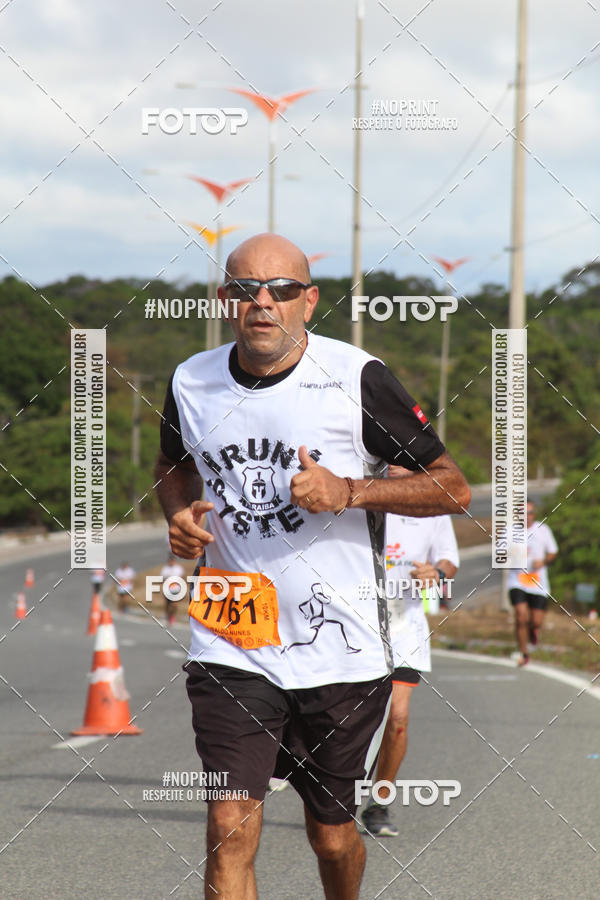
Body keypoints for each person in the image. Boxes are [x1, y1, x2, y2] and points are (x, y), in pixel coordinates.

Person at [154, 233, 471, 900]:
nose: (262, 302)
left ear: (309, 300)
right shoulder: (191, 380)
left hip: (342, 650)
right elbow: (174, 464)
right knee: (228, 825)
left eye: (281, 290)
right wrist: (178, 514)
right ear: (225, 300)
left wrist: (350, 491)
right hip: (233, 638)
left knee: (330, 836)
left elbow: (452, 487)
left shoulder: (356, 378)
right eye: (246, 289)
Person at [361, 465, 459, 837]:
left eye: (403, 458)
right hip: (354, 624)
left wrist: (437, 573)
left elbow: (448, 559)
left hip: (404, 627)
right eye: (389, 457)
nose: (396, 464)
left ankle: (379, 803)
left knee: (397, 717)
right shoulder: (361, 495)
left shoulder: (432, 505)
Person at [508, 500, 558, 666]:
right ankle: (524, 653)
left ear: (534, 514)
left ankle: (533, 630)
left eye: (530, 513)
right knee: (521, 616)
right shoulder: (510, 531)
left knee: (536, 621)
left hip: (538, 582)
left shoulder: (543, 530)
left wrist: (543, 562)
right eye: (523, 513)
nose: (527, 516)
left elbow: (553, 552)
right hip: (517, 580)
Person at [160, 555, 185, 626]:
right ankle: (168, 616)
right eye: (170, 561)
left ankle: (172, 616)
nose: (171, 562)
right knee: (167, 604)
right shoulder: (165, 569)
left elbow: (182, 578)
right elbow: (162, 579)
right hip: (167, 589)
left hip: (176, 589)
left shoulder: (178, 569)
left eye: (172, 561)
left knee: (174, 604)